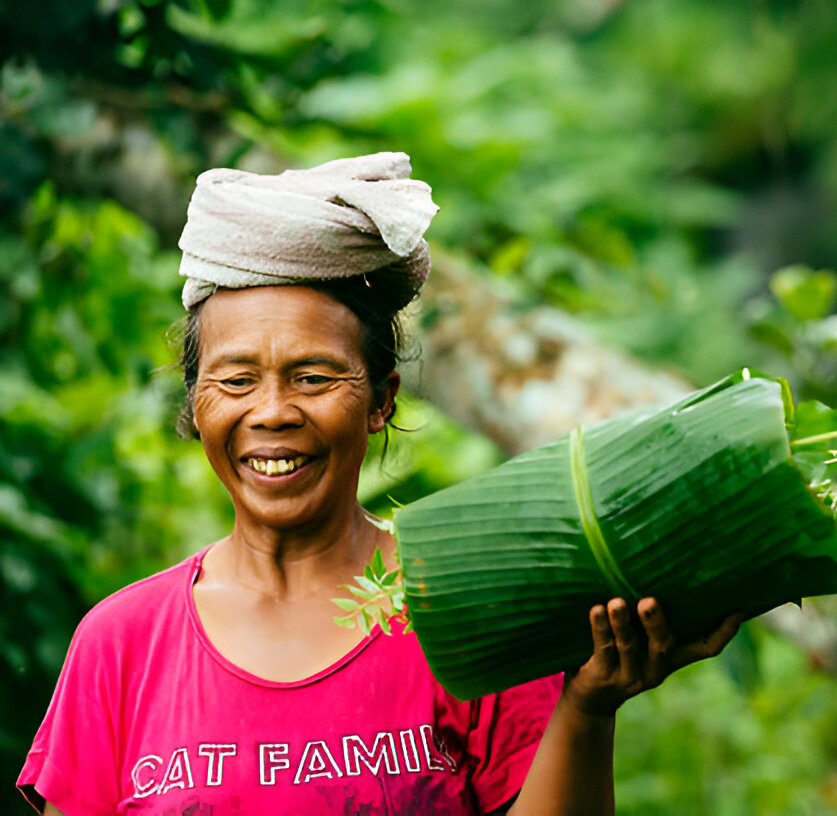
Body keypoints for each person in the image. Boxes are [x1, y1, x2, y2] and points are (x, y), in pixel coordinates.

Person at [16, 153, 740, 815]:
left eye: (313, 377)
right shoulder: (120, 646)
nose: (272, 412)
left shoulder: (464, 612)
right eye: (236, 380)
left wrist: (587, 710)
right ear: (195, 405)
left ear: (382, 398)